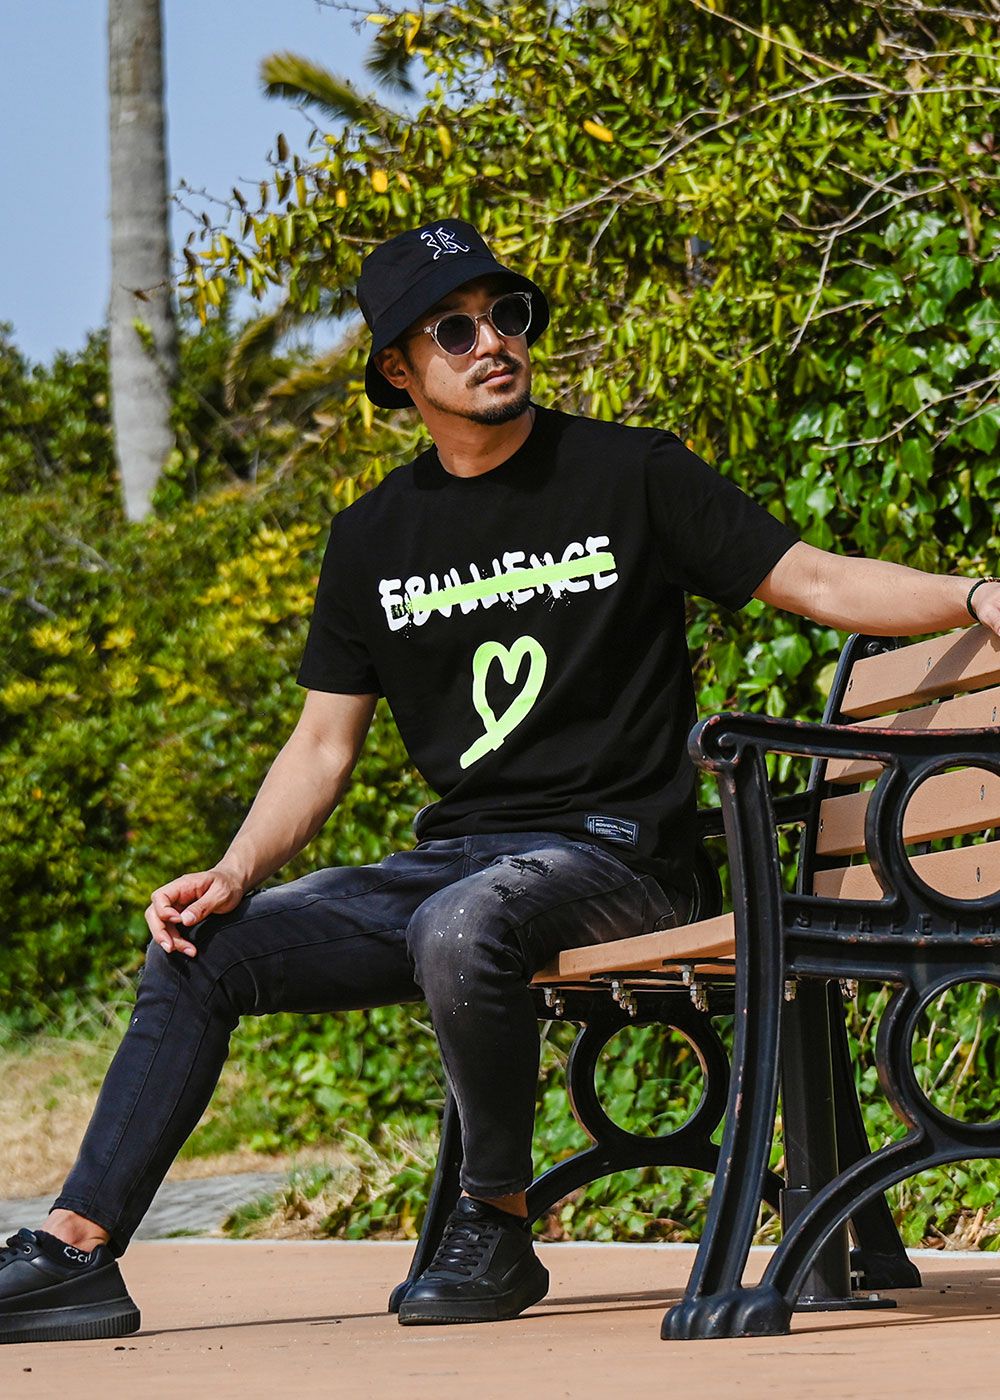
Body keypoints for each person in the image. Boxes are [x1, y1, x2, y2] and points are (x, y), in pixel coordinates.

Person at [2, 219, 998, 1345]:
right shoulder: (371, 537)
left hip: (620, 858)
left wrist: (972, 595)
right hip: (454, 866)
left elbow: (810, 579)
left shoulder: (629, 472)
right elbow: (321, 746)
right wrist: (232, 871)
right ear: (398, 369)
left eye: (507, 316)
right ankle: (76, 1249)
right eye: (455, 329)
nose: (493, 342)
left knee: (463, 923)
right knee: (203, 949)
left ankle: (496, 1222)